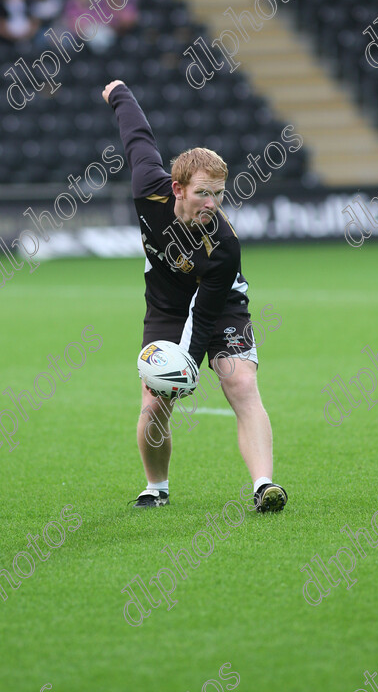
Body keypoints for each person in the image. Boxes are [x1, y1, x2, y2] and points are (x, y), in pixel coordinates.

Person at [102, 79, 287, 514]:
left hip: (220, 307)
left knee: (240, 382)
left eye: (219, 194)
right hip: (165, 306)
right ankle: (156, 487)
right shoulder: (150, 185)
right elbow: (137, 138)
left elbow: (203, 315)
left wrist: (188, 362)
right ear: (178, 188)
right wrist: (121, 94)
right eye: (203, 192)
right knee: (154, 402)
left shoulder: (223, 245)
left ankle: (264, 486)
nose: (212, 202)